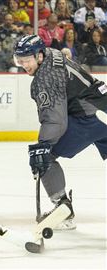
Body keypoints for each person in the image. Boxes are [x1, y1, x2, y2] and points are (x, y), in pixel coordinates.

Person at [13, 34, 107, 229]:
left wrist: (42, 145)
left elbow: (55, 120)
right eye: (19, 60)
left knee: (45, 156)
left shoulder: (45, 79)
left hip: (88, 118)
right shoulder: (51, 54)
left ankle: (63, 210)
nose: (23, 65)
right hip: (100, 107)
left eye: (26, 60)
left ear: (39, 56)